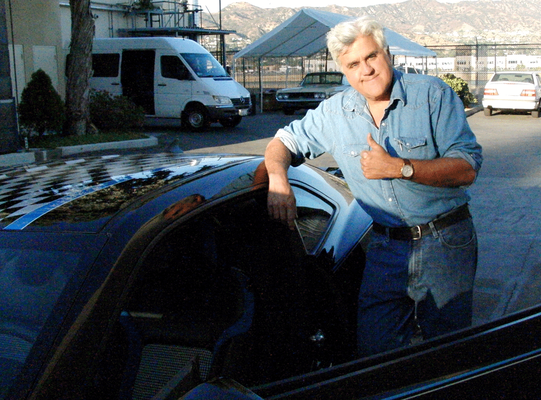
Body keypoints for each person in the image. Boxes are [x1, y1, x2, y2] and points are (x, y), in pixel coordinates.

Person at [264, 16, 483, 357]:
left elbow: (466, 168)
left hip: (444, 243)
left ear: (387, 54)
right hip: (384, 246)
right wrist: (278, 177)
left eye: (371, 57)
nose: (365, 70)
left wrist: (400, 168)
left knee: (447, 354)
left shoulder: (432, 96)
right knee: (373, 352)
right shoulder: (335, 112)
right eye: (353, 64)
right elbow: (283, 142)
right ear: (344, 71)